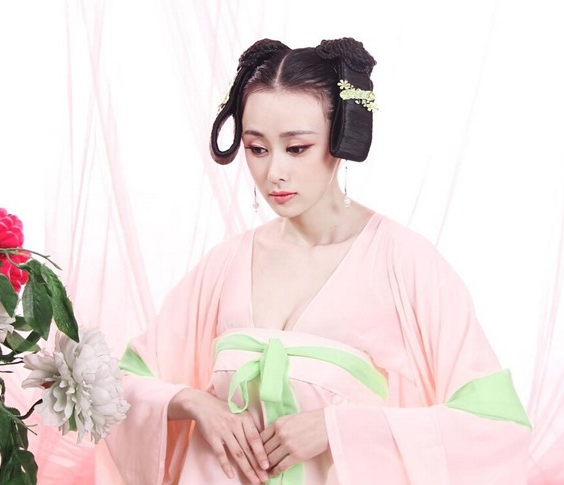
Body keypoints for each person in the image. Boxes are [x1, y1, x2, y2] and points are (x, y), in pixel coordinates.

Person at [105, 37, 532, 485]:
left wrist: (336, 428)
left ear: (342, 137)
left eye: (296, 148)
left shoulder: (402, 263)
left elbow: (494, 422)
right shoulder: (225, 264)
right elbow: (122, 385)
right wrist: (193, 403)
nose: (274, 173)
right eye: (257, 148)